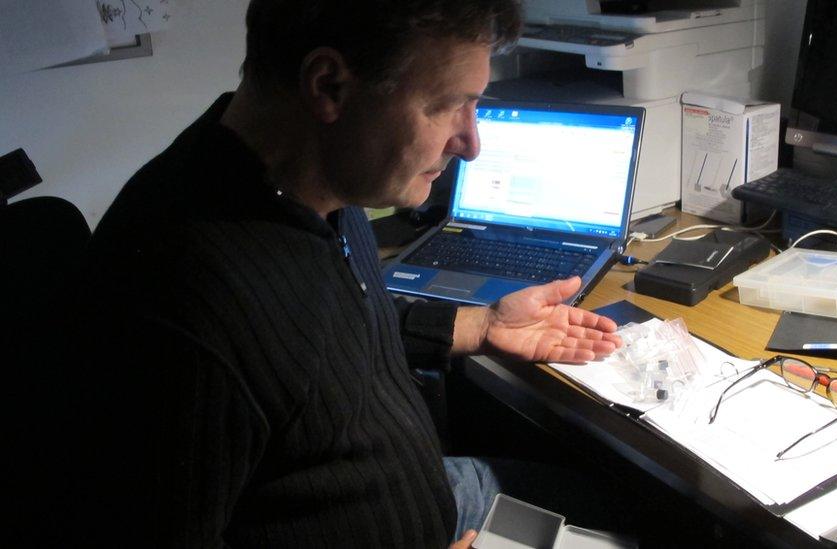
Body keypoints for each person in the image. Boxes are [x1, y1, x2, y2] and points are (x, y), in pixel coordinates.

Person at [34, 1, 625, 547]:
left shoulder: (315, 187)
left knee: (629, 505)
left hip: (428, 498)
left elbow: (319, 330)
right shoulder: (182, 307)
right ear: (330, 86)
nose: (471, 144)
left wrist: (477, 324)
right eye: (447, 105)